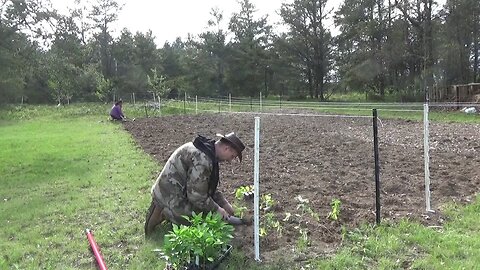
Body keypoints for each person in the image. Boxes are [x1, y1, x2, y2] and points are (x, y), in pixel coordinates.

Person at [145, 132, 246, 236]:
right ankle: (164, 212)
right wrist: (218, 209)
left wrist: (223, 203)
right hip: (168, 194)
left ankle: (171, 213)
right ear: (226, 149)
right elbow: (197, 197)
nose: (230, 160)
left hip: (181, 190)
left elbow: (206, 185)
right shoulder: (202, 160)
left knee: (208, 214)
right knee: (202, 221)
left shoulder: (208, 151)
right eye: (232, 156)